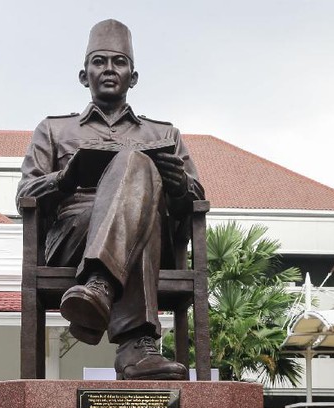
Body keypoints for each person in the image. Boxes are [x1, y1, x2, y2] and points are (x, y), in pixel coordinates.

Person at [16, 19, 205, 380]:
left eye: (119, 62)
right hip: (75, 234)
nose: (108, 69)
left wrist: (179, 183)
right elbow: (25, 193)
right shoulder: (53, 129)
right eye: (99, 61)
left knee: (137, 168)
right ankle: (137, 348)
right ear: (83, 75)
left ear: (133, 77)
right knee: (138, 186)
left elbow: (196, 197)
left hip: (150, 237)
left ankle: (100, 287)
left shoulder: (164, 133)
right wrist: (64, 178)